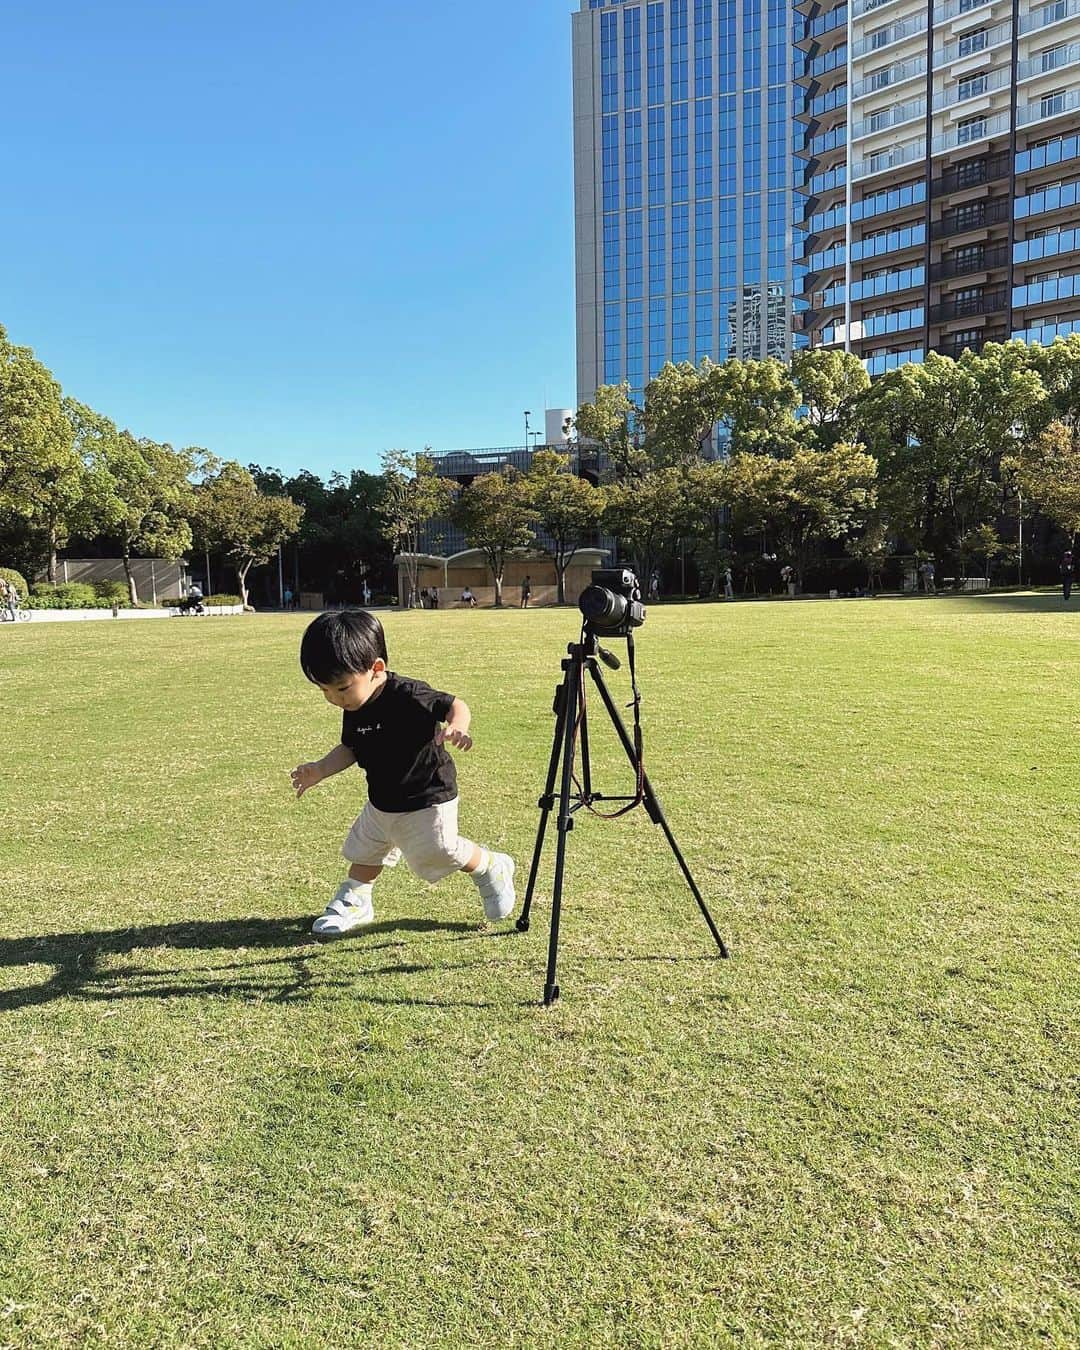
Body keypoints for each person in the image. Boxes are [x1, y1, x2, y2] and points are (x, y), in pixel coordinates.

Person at [290, 609, 516, 936]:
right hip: (383, 800)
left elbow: (456, 704)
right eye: (324, 690)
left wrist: (457, 726)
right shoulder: (355, 703)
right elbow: (351, 748)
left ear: (376, 668)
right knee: (366, 849)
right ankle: (356, 899)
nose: (333, 699)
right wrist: (320, 770)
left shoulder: (409, 694)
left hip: (427, 796)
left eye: (340, 688)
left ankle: (489, 866)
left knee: (439, 851)